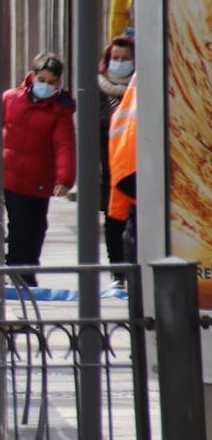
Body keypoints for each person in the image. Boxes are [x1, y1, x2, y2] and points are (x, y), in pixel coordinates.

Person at [1, 52, 76, 286]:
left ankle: (28, 267)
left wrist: (64, 178)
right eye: (42, 80)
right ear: (32, 76)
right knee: (19, 224)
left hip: (40, 181)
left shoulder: (60, 110)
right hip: (11, 177)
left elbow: (64, 145)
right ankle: (18, 271)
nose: (46, 86)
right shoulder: (10, 99)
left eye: (52, 83)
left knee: (37, 227)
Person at [98, 35, 135, 279]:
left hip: (135, 169)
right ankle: (117, 272)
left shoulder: (141, 91)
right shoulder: (99, 91)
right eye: (115, 58)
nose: (119, 63)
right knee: (113, 221)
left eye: (125, 59)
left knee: (134, 224)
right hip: (109, 170)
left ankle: (131, 268)